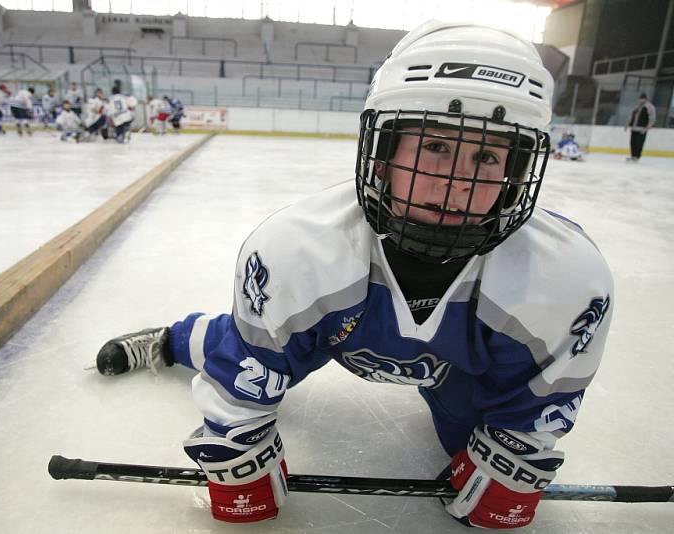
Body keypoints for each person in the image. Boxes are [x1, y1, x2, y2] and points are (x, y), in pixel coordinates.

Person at [93, 21, 614, 529]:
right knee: (245, 344)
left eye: (487, 155)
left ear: (516, 173)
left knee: (482, 472)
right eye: (436, 147)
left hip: (462, 366)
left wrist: (511, 456)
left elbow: (535, 401)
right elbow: (252, 360)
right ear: (383, 155)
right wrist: (238, 451)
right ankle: (169, 339)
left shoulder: (565, 277)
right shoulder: (301, 250)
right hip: (342, 330)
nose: (458, 182)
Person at [625, 93, 656, 162]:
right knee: (633, 142)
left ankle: (637, 156)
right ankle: (633, 156)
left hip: (642, 128)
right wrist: (627, 124)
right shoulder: (637, 107)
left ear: (645, 99)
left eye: (642, 99)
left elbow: (652, 118)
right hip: (634, 128)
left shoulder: (649, 107)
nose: (640, 100)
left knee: (639, 143)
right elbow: (631, 116)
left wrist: (648, 127)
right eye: (640, 99)